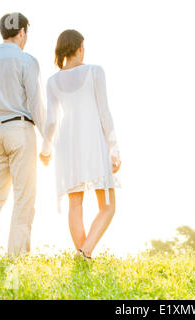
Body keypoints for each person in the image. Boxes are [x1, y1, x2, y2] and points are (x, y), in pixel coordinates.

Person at [40, 29, 122, 259]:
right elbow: (104, 112)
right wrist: (114, 149)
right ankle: (85, 253)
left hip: (67, 145)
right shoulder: (95, 72)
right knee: (108, 206)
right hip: (93, 142)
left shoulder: (52, 81)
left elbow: (52, 121)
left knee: (75, 205)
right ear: (78, 49)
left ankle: (83, 256)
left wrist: (45, 150)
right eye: (83, 47)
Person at [0, 12, 46, 261]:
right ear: (23, 32)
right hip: (20, 130)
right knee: (24, 197)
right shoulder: (27, 61)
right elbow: (36, 106)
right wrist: (47, 138)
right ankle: (15, 260)